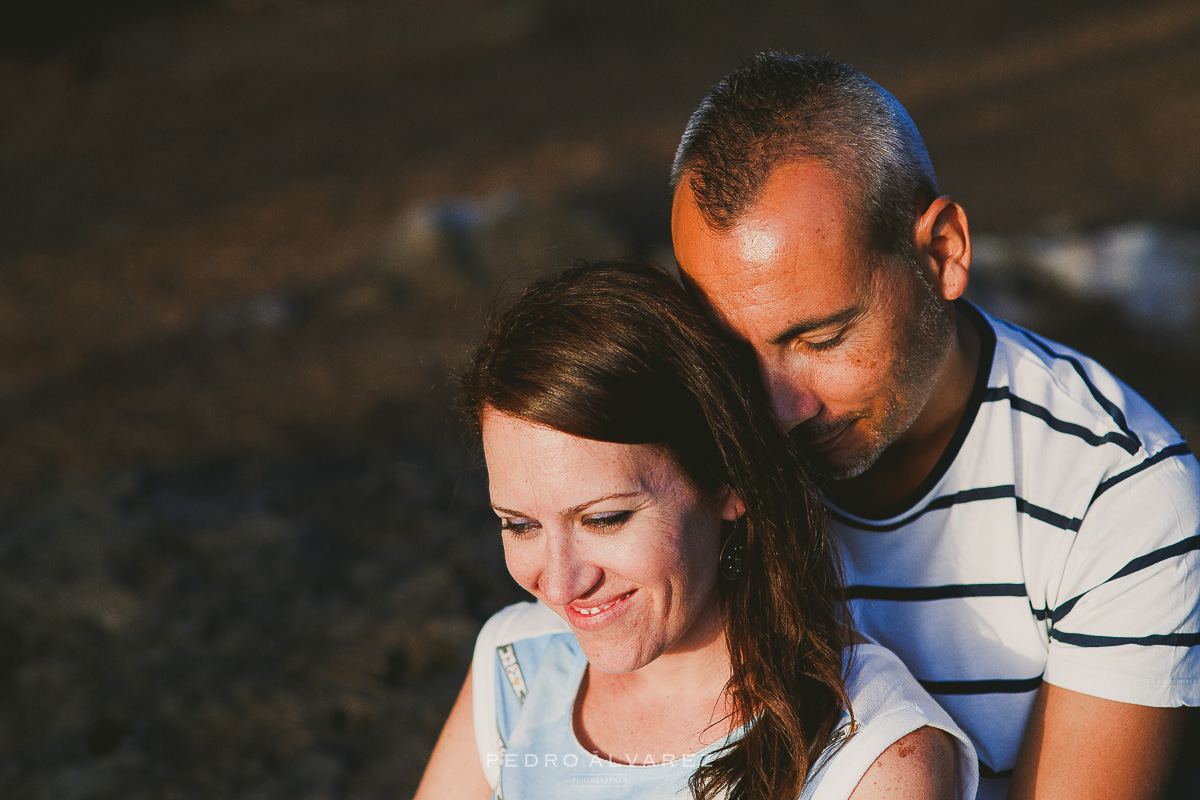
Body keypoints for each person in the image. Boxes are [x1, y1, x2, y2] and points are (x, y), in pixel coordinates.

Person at [669, 52, 1200, 800]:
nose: (777, 409)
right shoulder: (682, 449)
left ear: (942, 253)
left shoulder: (1117, 495)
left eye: (821, 339)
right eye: (731, 352)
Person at [414, 261, 978, 799]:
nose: (560, 586)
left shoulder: (873, 755)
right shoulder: (516, 664)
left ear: (730, 481)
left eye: (605, 519)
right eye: (520, 525)